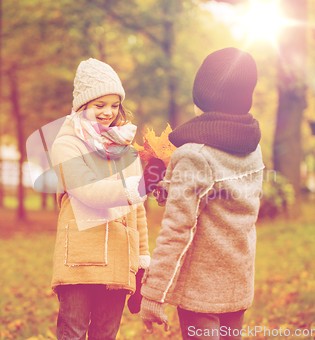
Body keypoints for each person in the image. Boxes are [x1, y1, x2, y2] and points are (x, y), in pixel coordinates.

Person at [140, 47, 265, 340]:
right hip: (238, 284)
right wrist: (170, 187)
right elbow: (222, 202)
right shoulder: (252, 147)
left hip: (201, 293)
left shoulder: (194, 155)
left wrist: (154, 294)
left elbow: (177, 229)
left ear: (206, 98)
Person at [50, 58, 150, 340]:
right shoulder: (67, 143)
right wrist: (139, 186)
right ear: (83, 105)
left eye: (114, 105)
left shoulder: (126, 148)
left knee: (106, 335)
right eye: (99, 105)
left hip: (119, 258)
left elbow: (138, 210)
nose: (108, 112)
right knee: (73, 332)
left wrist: (142, 261)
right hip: (81, 259)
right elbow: (88, 191)